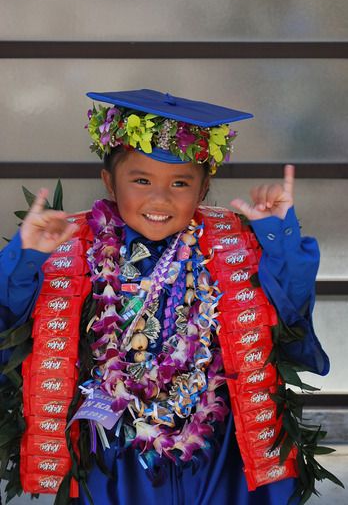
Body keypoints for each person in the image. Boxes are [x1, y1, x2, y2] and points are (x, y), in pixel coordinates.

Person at [0, 89, 330, 505]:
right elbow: (10, 318)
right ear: (109, 181)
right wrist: (25, 259)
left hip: (219, 450)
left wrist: (279, 238)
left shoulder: (233, 246)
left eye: (180, 183)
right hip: (116, 454)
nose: (160, 199)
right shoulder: (74, 249)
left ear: (204, 187)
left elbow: (291, 311)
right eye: (141, 180)